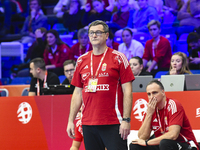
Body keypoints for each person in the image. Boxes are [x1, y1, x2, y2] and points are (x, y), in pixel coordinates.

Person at [67, 20, 135, 150]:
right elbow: (77, 92)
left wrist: (126, 120)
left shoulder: (119, 58)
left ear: (106, 35)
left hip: (113, 122)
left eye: (98, 32)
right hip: (88, 123)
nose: (94, 36)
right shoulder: (81, 60)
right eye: (91, 33)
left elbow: (127, 91)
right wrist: (71, 121)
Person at [129, 80, 199, 150]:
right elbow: (142, 137)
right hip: (162, 144)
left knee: (165, 143)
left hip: (185, 144)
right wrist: (149, 114)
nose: (151, 97)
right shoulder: (151, 109)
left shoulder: (173, 105)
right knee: (135, 145)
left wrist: (147, 143)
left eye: (154, 93)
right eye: (149, 94)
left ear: (163, 92)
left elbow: (173, 135)